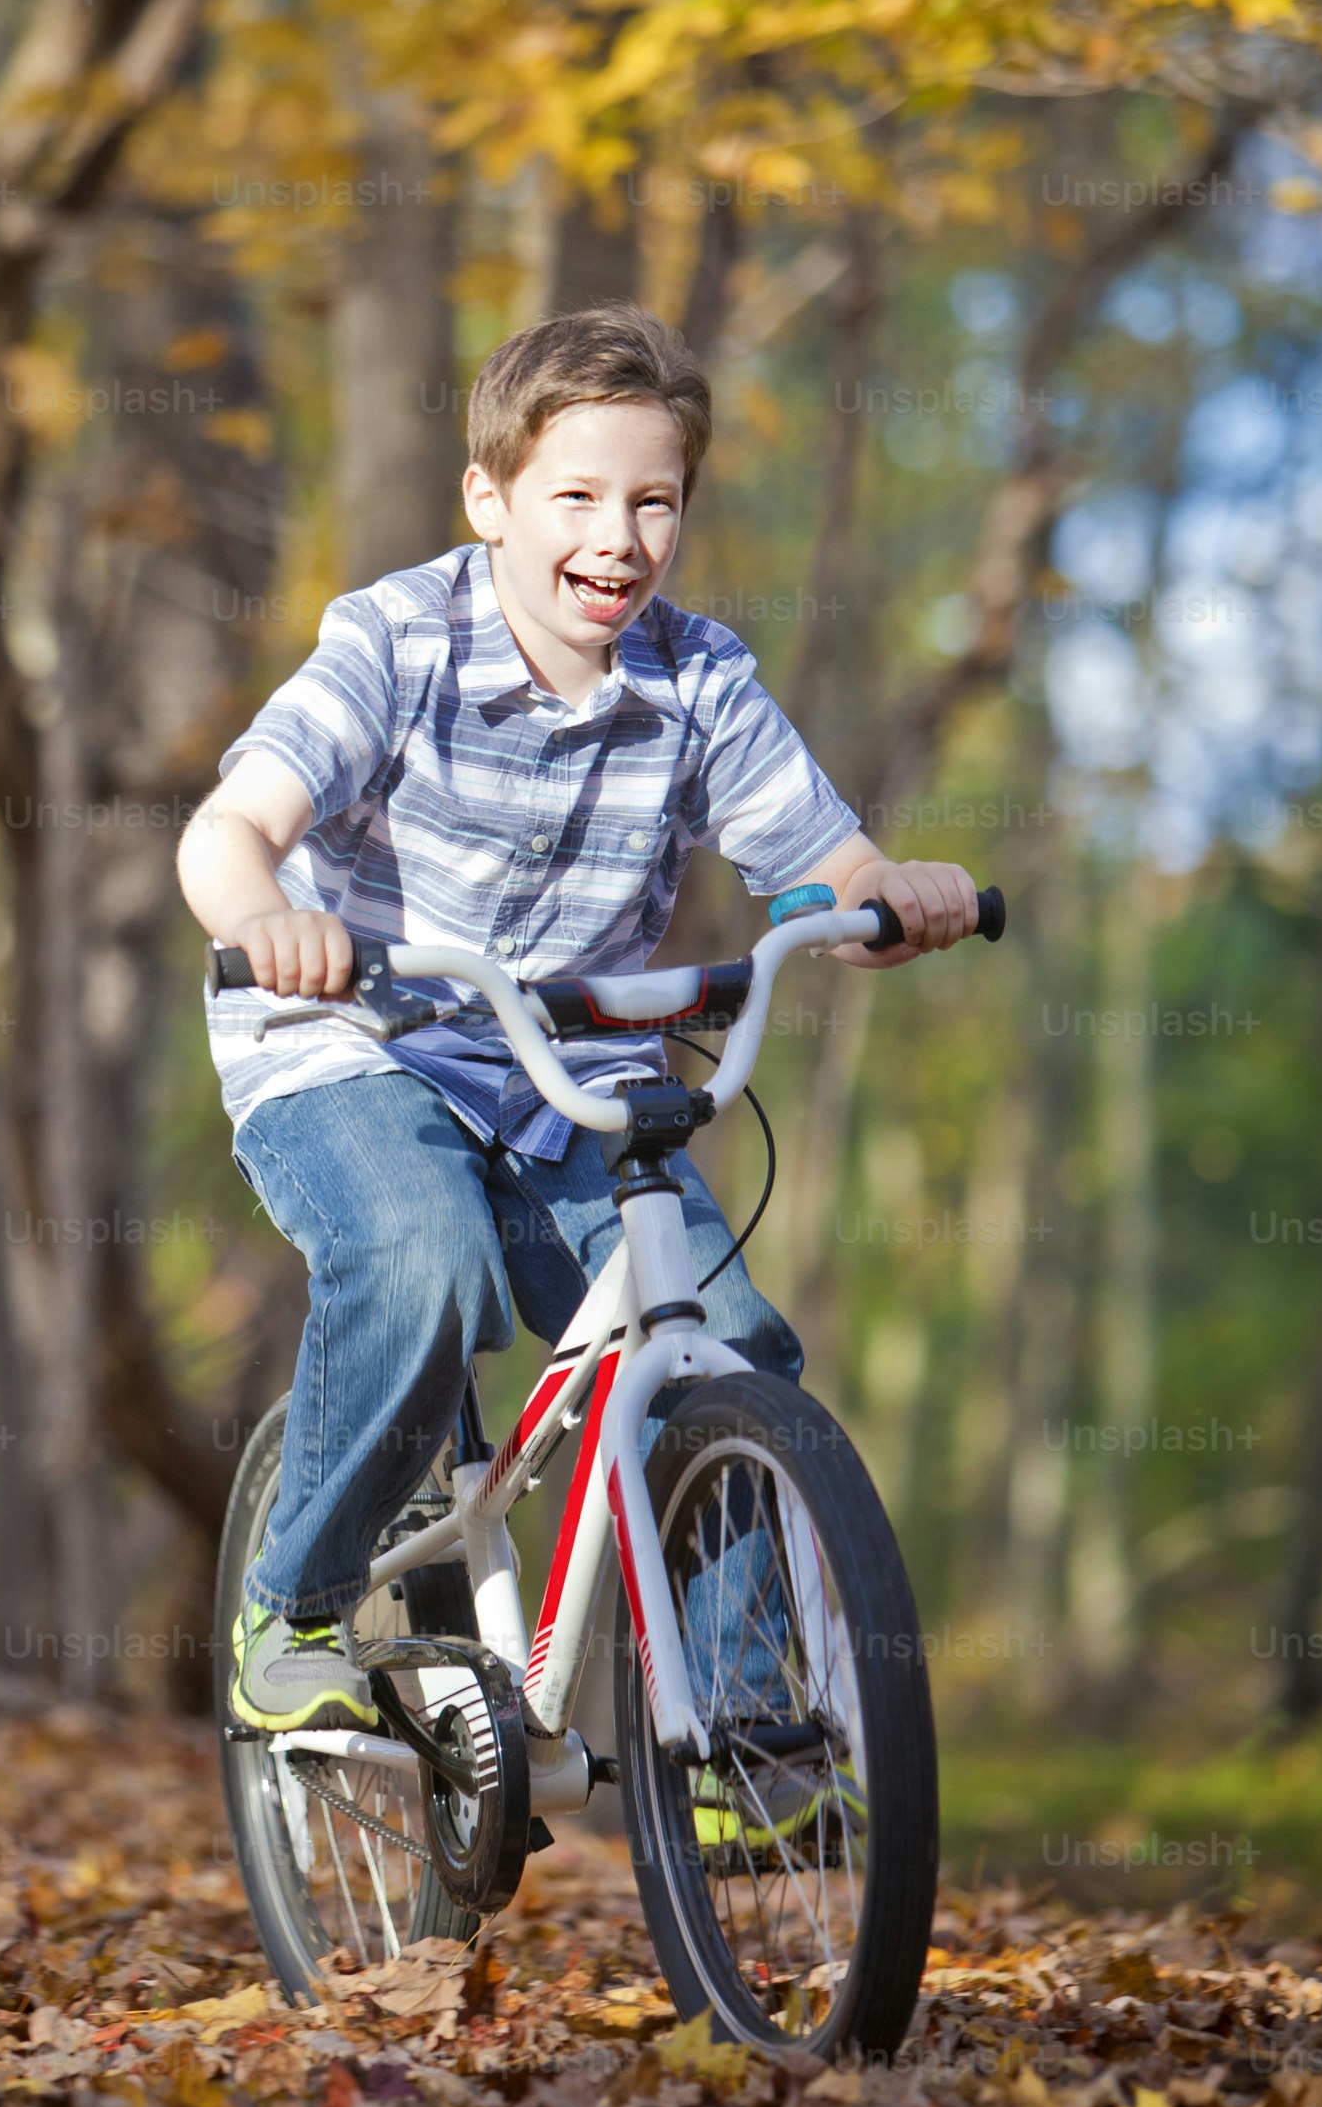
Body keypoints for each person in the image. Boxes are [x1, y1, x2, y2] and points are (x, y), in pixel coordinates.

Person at [176, 304, 979, 1735]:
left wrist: (884, 893)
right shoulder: (396, 640)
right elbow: (229, 828)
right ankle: (290, 1605)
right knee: (421, 1257)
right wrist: (263, 918)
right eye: (579, 496)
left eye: (654, 500)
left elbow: (820, 862)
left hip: (568, 1078)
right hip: (356, 1044)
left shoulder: (699, 679)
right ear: (489, 498)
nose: (619, 536)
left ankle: (734, 1725)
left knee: (729, 1341)